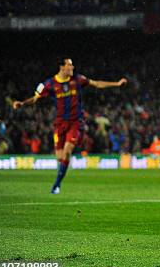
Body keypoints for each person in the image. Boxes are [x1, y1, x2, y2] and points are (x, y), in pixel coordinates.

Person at [12, 58, 127, 193]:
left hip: (76, 122)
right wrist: (22, 103)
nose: (72, 67)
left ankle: (56, 185)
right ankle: (59, 179)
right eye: (69, 65)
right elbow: (36, 98)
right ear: (62, 67)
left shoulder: (78, 80)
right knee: (60, 158)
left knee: (67, 152)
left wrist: (117, 84)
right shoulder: (49, 84)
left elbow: (97, 84)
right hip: (60, 124)